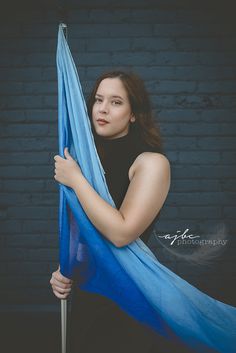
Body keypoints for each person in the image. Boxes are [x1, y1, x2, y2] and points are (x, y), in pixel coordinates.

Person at [50, 71, 182, 353]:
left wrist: (75, 180)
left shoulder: (151, 163)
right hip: (88, 295)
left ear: (134, 113)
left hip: (130, 296)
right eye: (98, 99)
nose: (103, 109)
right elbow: (82, 233)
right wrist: (64, 268)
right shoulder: (82, 162)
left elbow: (121, 234)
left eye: (116, 102)